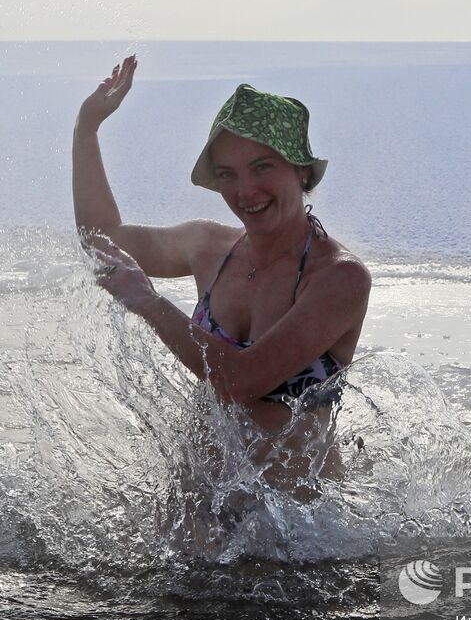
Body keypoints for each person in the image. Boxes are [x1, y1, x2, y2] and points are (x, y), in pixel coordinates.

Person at [73, 55, 371, 435]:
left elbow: (240, 381)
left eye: (263, 167)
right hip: (193, 495)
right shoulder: (207, 246)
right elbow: (101, 239)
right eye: (228, 174)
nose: (245, 190)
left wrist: (148, 302)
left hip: (300, 497)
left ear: (301, 169)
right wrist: (87, 128)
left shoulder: (339, 277)